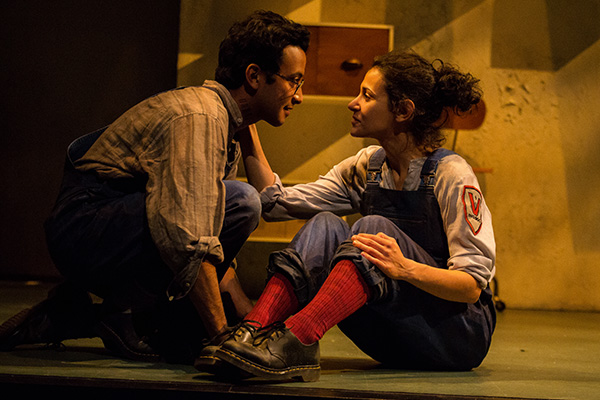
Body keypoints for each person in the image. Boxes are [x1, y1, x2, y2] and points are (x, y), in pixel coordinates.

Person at [0, 10, 310, 364]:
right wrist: (224, 338)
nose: (299, 96)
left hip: (110, 221)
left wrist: (245, 315)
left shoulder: (222, 119)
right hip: (84, 225)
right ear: (254, 76)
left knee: (194, 320)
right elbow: (190, 237)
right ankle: (124, 312)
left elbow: (209, 228)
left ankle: (75, 314)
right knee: (242, 202)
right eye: (294, 81)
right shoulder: (201, 117)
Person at [195, 49, 496, 381]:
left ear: (403, 110)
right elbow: (276, 203)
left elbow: (471, 286)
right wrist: (247, 123)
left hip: (457, 336)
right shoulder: (368, 166)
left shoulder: (452, 173)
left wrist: (404, 268)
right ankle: (251, 332)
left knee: (371, 228)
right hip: (393, 335)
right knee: (325, 225)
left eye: (367, 96)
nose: (353, 103)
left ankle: (298, 338)